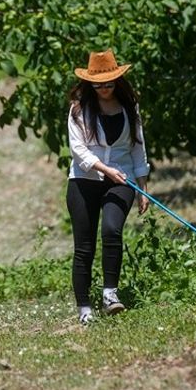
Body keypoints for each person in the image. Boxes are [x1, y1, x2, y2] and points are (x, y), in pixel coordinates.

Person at [66, 49, 150, 325]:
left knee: (112, 229)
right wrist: (104, 169)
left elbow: (138, 148)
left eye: (109, 82)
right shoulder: (78, 110)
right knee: (84, 245)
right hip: (84, 180)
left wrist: (142, 187)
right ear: (90, 83)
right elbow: (78, 150)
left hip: (122, 179)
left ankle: (110, 294)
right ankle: (84, 309)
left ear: (118, 81)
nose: (104, 88)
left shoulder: (129, 107)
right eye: (98, 83)